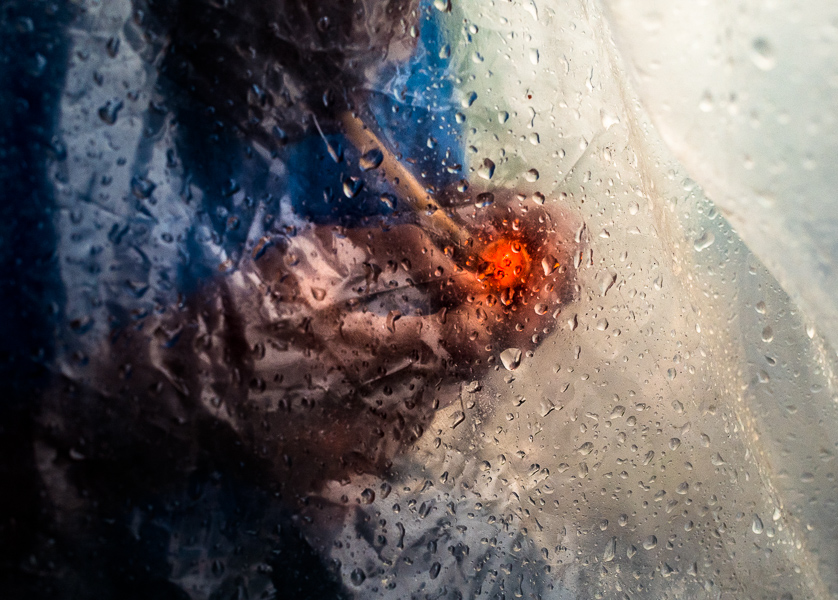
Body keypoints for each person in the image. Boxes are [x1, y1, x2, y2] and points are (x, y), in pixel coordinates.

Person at [19, 0, 581, 597]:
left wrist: (489, 232)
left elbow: (416, 203)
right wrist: (194, 379)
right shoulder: (43, 78)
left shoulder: (382, 24)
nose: (394, 35)